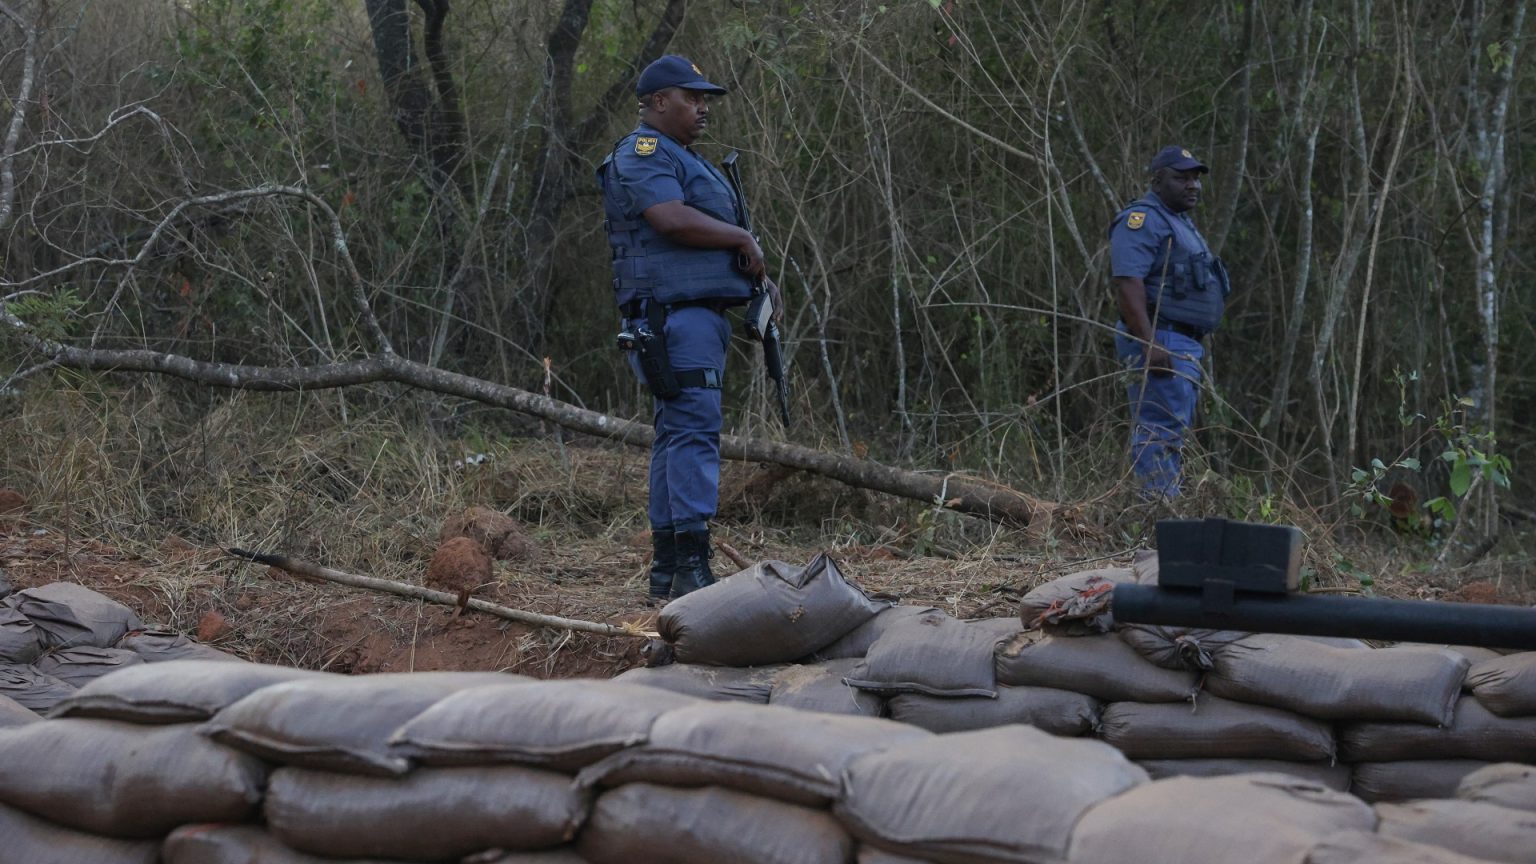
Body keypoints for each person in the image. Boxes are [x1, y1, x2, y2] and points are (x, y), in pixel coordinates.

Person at [597, 55, 783, 603]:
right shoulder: (643, 152)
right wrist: (741, 240)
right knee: (693, 434)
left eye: (706, 98)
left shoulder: (684, 157)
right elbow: (670, 219)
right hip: (673, 323)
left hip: (695, 318)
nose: (703, 107)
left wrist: (757, 284)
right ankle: (692, 569)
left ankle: (669, 571)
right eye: (691, 97)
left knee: (678, 436)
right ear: (657, 102)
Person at [1108, 145, 1231, 499]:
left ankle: (1165, 508)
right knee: (1159, 428)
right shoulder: (1143, 219)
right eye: (1182, 178)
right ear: (1158, 180)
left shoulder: (1179, 222)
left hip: (1182, 341)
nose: (1193, 185)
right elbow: (1128, 283)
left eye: (1195, 178)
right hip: (1162, 339)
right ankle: (1157, 517)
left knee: (1172, 429)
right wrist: (1149, 342)